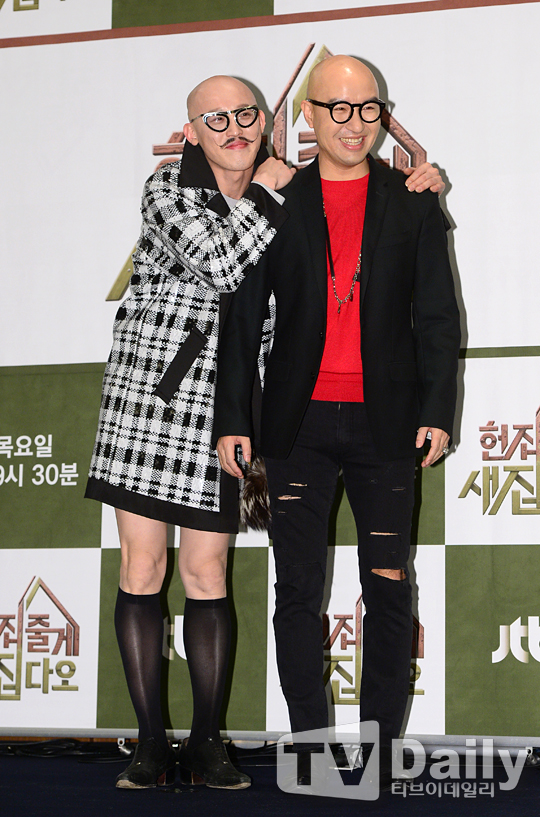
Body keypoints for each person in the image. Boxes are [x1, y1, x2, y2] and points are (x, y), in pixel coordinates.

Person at [86, 72, 445, 791]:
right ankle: (154, 745)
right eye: (215, 119)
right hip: (158, 404)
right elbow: (227, 273)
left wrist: (422, 181)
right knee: (145, 568)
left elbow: (418, 304)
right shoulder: (177, 188)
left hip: (245, 407)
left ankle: (212, 743)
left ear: (266, 120)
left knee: (209, 572)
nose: (234, 127)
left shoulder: (331, 193)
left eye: (245, 113)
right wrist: (270, 192)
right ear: (192, 132)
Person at [215, 56, 461, 789]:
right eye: (339, 109)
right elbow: (242, 316)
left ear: (384, 114)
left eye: (369, 109)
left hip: (389, 424)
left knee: (388, 585)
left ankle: (379, 752)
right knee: (297, 590)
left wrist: (438, 409)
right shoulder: (277, 200)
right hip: (296, 424)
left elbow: (438, 317)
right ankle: (313, 753)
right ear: (310, 115)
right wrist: (234, 417)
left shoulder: (413, 200)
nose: (355, 125)